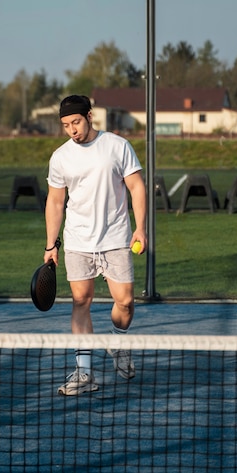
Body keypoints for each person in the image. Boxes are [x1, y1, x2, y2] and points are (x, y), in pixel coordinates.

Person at [44, 94, 147, 396]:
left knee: (125, 302)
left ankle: (117, 341)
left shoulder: (117, 146)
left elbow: (136, 187)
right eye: (65, 125)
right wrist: (52, 245)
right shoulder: (60, 157)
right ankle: (85, 373)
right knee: (81, 301)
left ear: (89, 116)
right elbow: (55, 201)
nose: (72, 130)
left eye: (75, 122)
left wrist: (140, 227)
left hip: (115, 238)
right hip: (78, 241)